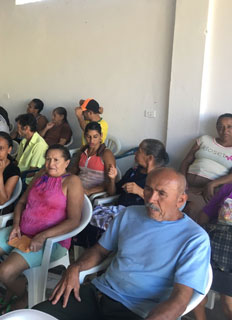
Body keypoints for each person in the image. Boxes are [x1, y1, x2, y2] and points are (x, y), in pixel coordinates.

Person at [34, 168, 211, 320]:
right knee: (36, 315)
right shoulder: (129, 214)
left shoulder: (194, 239)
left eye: (161, 194)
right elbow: (99, 251)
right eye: (148, 189)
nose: (150, 199)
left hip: (137, 312)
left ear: (181, 200)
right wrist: (75, 267)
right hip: (98, 294)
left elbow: (180, 298)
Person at [0, 145, 84, 311]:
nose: (51, 163)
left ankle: (23, 295)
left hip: (51, 241)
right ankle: (19, 287)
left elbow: (74, 221)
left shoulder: (72, 182)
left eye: (56, 160)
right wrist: (16, 225)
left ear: (66, 162)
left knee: (5, 271)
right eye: (48, 159)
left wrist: (43, 236)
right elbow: (22, 202)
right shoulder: (41, 175)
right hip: (22, 231)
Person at [75, 139, 169, 248]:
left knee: (100, 229)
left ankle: (100, 254)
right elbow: (113, 193)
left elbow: (163, 206)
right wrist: (111, 179)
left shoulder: (162, 178)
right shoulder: (134, 171)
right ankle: (88, 253)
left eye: (139, 150)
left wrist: (140, 191)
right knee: (84, 219)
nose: (135, 153)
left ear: (150, 158)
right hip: (119, 211)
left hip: (138, 217)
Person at [180, 113, 232, 221]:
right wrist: (182, 182)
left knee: (191, 209)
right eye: (220, 126)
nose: (224, 130)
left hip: (208, 189)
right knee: (172, 203)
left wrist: (213, 184)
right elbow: (186, 162)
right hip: (186, 184)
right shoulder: (205, 139)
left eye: (229, 126)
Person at [193, 183, 232, 320]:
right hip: (215, 240)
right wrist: (199, 237)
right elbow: (207, 213)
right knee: (195, 292)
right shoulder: (228, 188)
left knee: (228, 302)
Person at [71, 122, 115, 196]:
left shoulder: (106, 154)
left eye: (95, 137)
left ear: (101, 136)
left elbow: (109, 182)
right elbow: (74, 170)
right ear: (85, 136)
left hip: (92, 193)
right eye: (88, 136)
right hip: (77, 188)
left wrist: (89, 191)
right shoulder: (83, 151)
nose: (91, 141)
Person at [15, 113, 49, 185]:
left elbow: (33, 172)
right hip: (17, 174)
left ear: (26, 128)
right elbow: (17, 161)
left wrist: (15, 177)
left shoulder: (39, 145)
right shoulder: (24, 141)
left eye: (18, 128)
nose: (17, 130)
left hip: (27, 181)